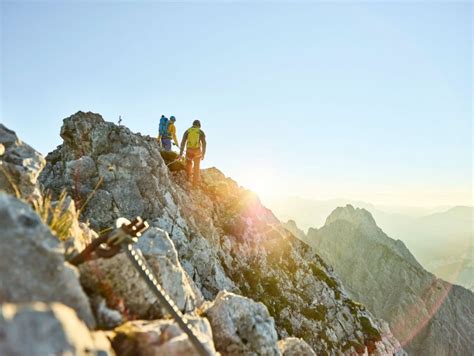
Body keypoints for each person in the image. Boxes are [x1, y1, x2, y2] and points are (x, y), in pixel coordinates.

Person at [179, 120, 206, 186]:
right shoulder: (200, 132)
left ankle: (188, 177)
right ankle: (194, 184)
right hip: (197, 152)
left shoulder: (187, 131)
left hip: (189, 151)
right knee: (196, 167)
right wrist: (203, 154)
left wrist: (180, 154)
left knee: (189, 164)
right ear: (199, 125)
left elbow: (182, 143)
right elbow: (204, 144)